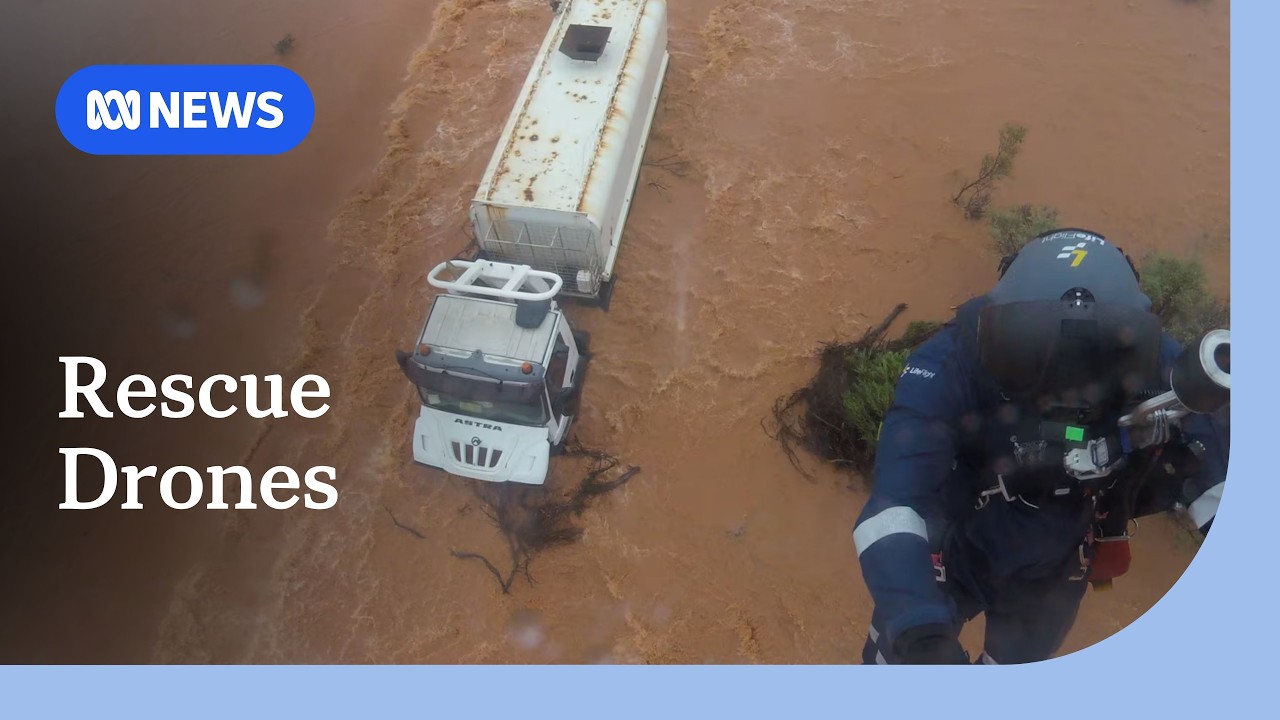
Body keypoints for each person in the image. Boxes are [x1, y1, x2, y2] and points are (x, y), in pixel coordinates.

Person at [854, 228, 1229, 665]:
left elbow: (1218, 467)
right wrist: (919, 637)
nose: (1060, 380)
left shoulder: (1156, 361)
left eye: (1090, 358)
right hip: (956, 543)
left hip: (1054, 567)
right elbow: (894, 503)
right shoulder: (956, 357)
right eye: (1028, 357)